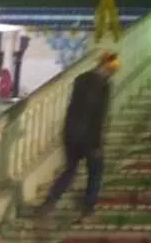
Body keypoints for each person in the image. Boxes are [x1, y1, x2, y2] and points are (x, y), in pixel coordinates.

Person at [37, 51, 119, 221]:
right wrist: (97, 143)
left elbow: (73, 108)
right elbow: (98, 115)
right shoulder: (104, 86)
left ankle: (50, 201)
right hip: (89, 137)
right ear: (108, 67)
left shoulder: (81, 79)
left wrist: (67, 133)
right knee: (96, 170)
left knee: (70, 170)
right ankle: (88, 206)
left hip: (71, 133)